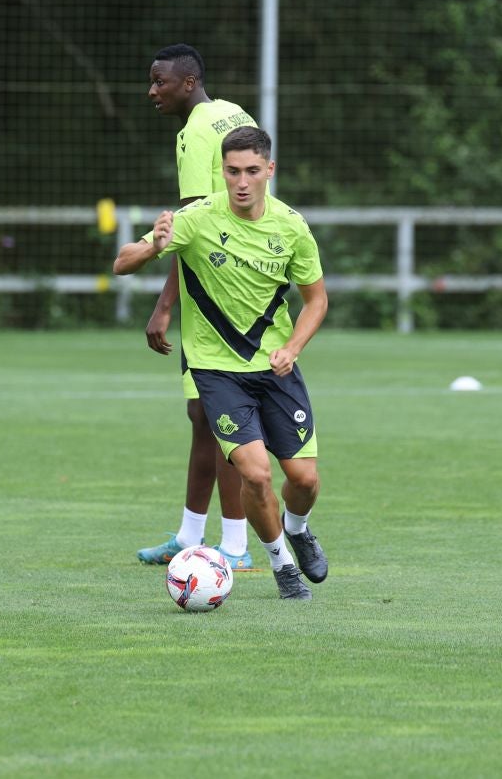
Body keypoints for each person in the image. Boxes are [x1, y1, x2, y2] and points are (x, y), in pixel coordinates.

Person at [115, 126, 329, 600]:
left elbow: (316, 301)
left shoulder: (291, 226)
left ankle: (297, 528)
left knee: (305, 479)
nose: (242, 181)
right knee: (255, 473)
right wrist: (153, 246)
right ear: (223, 173)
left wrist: (292, 347)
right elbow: (121, 262)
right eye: (233, 171)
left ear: (269, 170)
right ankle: (282, 565)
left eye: (252, 171)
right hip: (216, 370)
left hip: (275, 369)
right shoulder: (195, 218)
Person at [138, 43, 258, 570]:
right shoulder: (234, 112)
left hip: (215, 292)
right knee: (202, 415)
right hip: (244, 280)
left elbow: (187, 226)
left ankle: (234, 547)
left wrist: (165, 305)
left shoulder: (194, 131)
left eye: (160, 81)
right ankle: (191, 533)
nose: (152, 92)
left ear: (188, 83)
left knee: (218, 415)